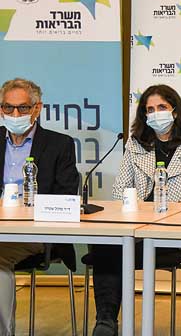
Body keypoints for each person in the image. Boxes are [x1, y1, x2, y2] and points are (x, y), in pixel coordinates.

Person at [91, 84, 181, 336]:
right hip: (136, 231)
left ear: (174, 111)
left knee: (111, 250)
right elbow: (119, 192)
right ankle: (106, 322)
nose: (156, 114)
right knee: (105, 245)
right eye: (150, 110)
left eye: (162, 107)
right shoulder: (135, 146)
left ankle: (107, 321)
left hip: (175, 235)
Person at [0, 78, 78, 336]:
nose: (14, 114)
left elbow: (67, 194)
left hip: (36, 233)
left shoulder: (59, 144)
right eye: (8, 107)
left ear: (37, 109)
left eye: (22, 108)